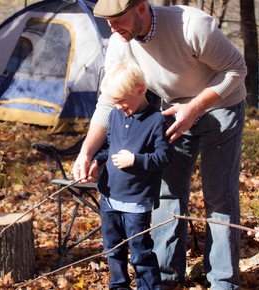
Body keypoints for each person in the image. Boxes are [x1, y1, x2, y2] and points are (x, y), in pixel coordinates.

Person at [73, 0, 247, 289]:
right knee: (167, 193)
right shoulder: (120, 42)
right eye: (108, 23)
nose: (113, 29)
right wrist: (87, 151)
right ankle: (165, 277)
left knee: (218, 196)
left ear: (141, 7)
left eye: (118, 20)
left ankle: (223, 281)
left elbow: (236, 70)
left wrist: (194, 108)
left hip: (221, 106)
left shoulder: (193, 26)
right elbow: (107, 101)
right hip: (170, 113)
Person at [91, 61, 174, 290]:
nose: (118, 107)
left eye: (121, 101)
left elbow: (165, 157)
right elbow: (109, 145)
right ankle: (118, 286)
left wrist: (136, 160)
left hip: (136, 200)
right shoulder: (116, 116)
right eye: (114, 102)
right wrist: (97, 161)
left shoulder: (157, 121)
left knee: (140, 252)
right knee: (112, 248)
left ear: (140, 88)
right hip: (109, 196)